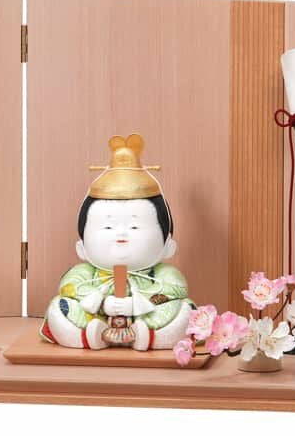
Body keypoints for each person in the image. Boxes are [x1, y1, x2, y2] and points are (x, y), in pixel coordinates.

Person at [40, 135, 193, 350]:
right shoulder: (85, 273)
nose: (121, 235)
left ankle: (147, 336)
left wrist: (134, 304)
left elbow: (175, 288)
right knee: (60, 307)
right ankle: (90, 336)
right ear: (81, 248)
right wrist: (103, 303)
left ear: (168, 245)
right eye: (107, 227)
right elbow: (70, 286)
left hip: (147, 318)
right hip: (96, 318)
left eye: (135, 227)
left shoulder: (162, 274)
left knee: (185, 310)